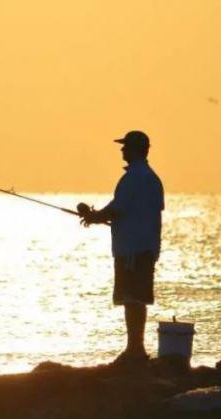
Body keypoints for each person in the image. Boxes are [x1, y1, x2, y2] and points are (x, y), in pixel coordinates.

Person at [79, 130, 164, 366]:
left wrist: (95, 217)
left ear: (136, 149)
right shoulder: (150, 178)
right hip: (143, 246)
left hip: (133, 248)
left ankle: (135, 350)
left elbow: (119, 208)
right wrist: (98, 216)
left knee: (132, 298)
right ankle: (136, 348)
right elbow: (135, 211)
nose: (122, 150)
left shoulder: (136, 177)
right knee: (136, 298)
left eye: (125, 146)